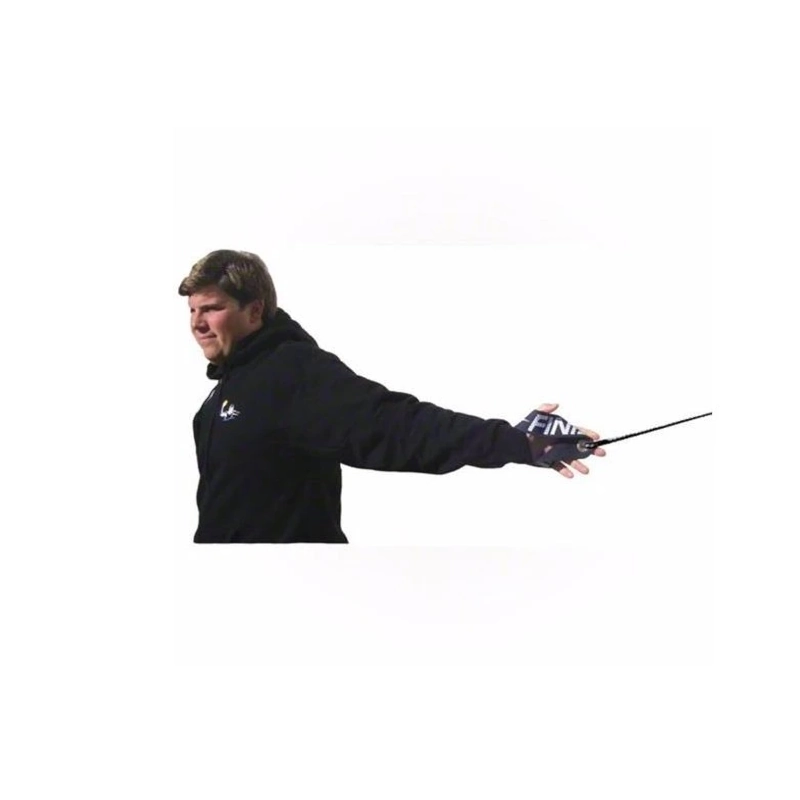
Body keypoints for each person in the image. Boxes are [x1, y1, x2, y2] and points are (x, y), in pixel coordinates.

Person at [179, 249, 606, 543]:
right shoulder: (220, 397)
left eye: (212, 308)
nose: (197, 323)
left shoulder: (290, 372)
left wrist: (517, 442)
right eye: (192, 310)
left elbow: (394, 426)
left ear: (254, 311)